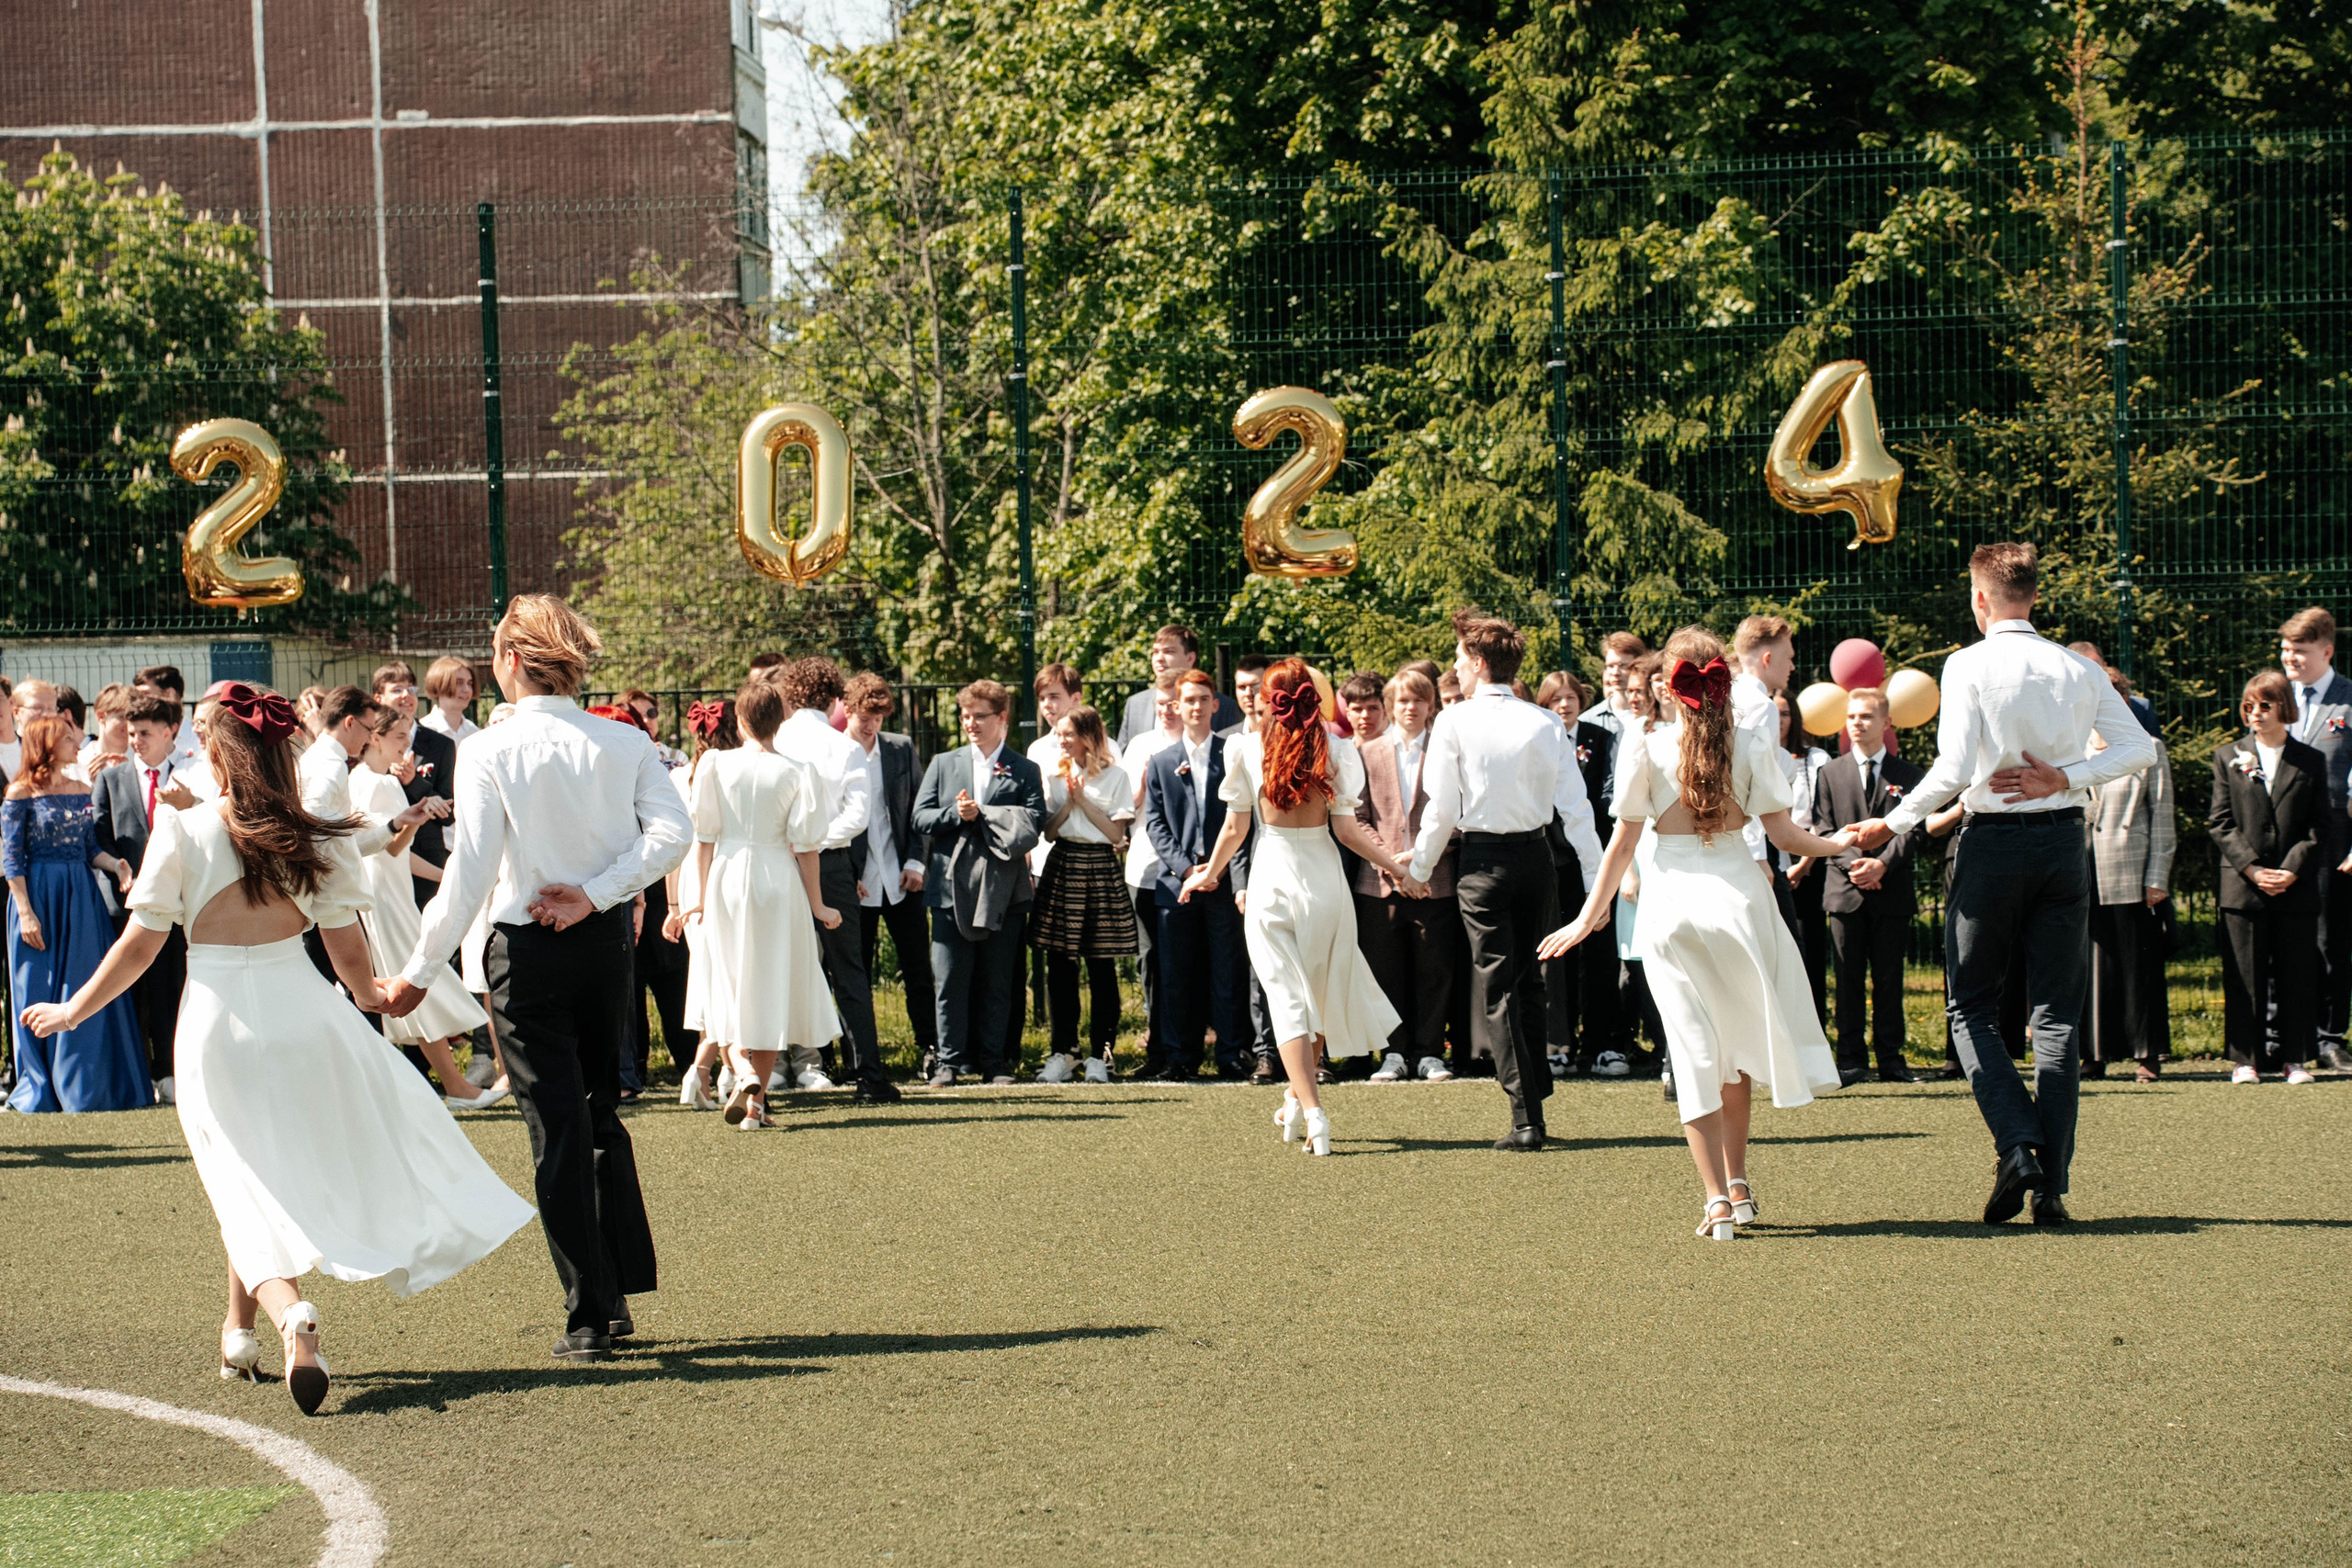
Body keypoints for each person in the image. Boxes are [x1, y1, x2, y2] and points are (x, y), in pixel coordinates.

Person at [21, 682, 533, 1415]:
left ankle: (289, 1313)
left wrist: (75, 1008)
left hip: (216, 1020)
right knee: (253, 1173)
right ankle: (238, 1332)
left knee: (237, 1178)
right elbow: (352, 961)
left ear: (219, 754)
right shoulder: (316, 836)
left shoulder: (184, 829)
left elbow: (140, 947)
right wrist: (382, 995)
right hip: (304, 1017)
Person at [389, 593, 690, 1363]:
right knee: (598, 1110)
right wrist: (597, 892)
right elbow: (673, 832)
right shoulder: (624, 740)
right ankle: (614, 1294)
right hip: (602, 944)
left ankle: (589, 1312)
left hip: (525, 952)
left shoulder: (491, 748)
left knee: (557, 1126)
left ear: (513, 659)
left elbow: (471, 871)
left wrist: (420, 971)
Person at [1849, 543, 2155, 1225]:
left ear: (1980, 598)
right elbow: (2140, 749)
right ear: (2035, 596)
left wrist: (1890, 823)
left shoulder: (1968, 663)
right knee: (2056, 1019)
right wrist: (2066, 777)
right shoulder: (2079, 666)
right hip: (2063, 842)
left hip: (1991, 843)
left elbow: (1954, 767)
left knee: (1970, 1007)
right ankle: (2050, 1188)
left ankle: (2017, 1146)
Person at [1542, 627, 1855, 1239]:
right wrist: (1839, 843)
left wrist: (1586, 916)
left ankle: (1716, 1199)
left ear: (1669, 684)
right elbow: (1785, 836)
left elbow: (1622, 843)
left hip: (1673, 908)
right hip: (1740, 903)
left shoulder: (1645, 744)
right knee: (1735, 1054)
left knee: (1694, 1054)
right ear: (1723, 682)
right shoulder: (1753, 743)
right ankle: (1737, 1185)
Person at [1181, 660, 1414, 1154]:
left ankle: (1311, 1110)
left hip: (1272, 880)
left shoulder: (1245, 748)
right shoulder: (1337, 749)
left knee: (1287, 1001)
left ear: (1269, 702)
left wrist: (1210, 874)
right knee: (1318, 996)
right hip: (1325, 882)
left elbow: (1235, 829)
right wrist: (1394, 868)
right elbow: (1348, 831)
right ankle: (1297, 1098)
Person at [1408, 611, 1605, 1150]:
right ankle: (1533, 1099)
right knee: (1529, 982)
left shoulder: (1453, 722)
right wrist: (1597, 883)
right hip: (1538, 860)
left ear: (1477, 663)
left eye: (1457, 658)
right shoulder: (1545, 722)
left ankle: (1526, 1118)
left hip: (1482, 863)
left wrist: (1419, 869)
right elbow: (1577, 808)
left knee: (1500, 987)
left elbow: (1441, 810)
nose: (1453, 667)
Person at [684, 678, 841, 1130]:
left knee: (726, 983)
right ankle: (756, 1108)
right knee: (771, 987)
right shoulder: (798, 771)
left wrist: (697, 898)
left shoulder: (715, 764)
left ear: (739, 718)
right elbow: (807, 847)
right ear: (781, 720)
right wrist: (819, 906)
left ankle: (742, 1068)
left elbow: (704, 839)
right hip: (777, 880)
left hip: (728, 877)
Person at [348, 705, 505, 1111]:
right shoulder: (374, 782)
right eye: (400, 737)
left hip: (391, 891)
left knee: (413, 985)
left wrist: (441, 865)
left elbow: (395, 849)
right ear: (375, 738)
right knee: (418, 986)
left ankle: (452, 1085)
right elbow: (387, 847)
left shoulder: (372, 780)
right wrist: (415, 826)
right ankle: (456, 1086)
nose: (407, 746)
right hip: (385, 897)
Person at [5, 715, 150, 1111]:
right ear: (47, 745)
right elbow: (11, 858)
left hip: (80, 899)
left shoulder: (82, 789)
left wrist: (117, 865)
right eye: (68, 739)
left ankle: (84, 1084)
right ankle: (39, 1089)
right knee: (34, 986)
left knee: (82, 981)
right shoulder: (19, 793)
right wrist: (25, 912)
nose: (77, 744)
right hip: (36, 897)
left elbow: (89, 849)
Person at [910, 679, 1046, 1086]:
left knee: (998, 981)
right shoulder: (943, 763)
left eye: (980, 716)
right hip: (950, 888)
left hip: (1003, 890)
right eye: (966, 716)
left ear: (1002, 718)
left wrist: (985, 814)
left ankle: (995, 1062)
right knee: (950, 980)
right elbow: (920, 817)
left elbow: (1035, 822)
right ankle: (949, 1063)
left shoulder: (1024, 768)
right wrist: (956, 814)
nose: (971, 723)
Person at [771, 657, 894, 1100]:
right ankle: (868, 1076)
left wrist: (793, 841)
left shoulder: (775, 740)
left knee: (775, 965)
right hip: (831, 866)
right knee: (848, 971)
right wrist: (815, 841)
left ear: (790, 694)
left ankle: (768, 1070)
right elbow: (857, 817)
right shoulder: (844, 748)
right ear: (835, 699)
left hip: (779, 861)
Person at [2211, 671, 2326, 1086]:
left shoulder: (2311, 760)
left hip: (2295, 887)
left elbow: (2318, 825)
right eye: (2249, 706)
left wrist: (2292, 869)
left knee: (2296, 973)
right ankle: (2246, 1060)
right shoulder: (2228, 756)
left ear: (2284, 708)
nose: (2255, 713)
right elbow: (2220, 822)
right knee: (2244, 974)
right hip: (2243, 886)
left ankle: (2296, 1058)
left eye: (2265, 705)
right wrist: (2253, 868)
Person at [1809, 688, 1927, 1085]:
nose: (1857, 723)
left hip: (1891, 892)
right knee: (1847, 980)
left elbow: (1915, 829)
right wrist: (1854, 865)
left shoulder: (1909, 775)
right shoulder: (1830, 773)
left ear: (1886, 723)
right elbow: (1824, 828)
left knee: (1890, 979)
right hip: (1845, 893)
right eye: (1852, 716)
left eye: (1866, 716)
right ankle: (1851, 1060)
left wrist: (1882, 864)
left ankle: (1892, 1060)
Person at [1143, 670, 1254, 1080]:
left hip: (1224, 882)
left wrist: (1218, 870)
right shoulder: (1161, 763)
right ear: (1176, 706)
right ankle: (1181, 1057)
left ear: (1215, 705)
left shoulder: (1233, 753)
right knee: (1177, 975)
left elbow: (1243, 821)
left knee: (1228, 970)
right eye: (1188, 700)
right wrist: (1188, 870)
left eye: (1203, 699)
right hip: (1178, 885)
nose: (1196, 707)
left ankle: (1231, 1053)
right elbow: (1155, 824)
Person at [1355, 668, 1458, 1084]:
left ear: (1431, 706)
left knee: (1435, 969)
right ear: (1390, 707)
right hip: (1379, 884)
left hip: (1435, 880)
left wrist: (1420, 860)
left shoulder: (1447, 751)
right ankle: (1394, 1052)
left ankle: (1430, 1052)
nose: (1411, 708)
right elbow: (1357, 817)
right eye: (1403, 701)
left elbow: (1458, 815)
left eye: (1419, 700)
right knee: (1385, 971)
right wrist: (1390, 863)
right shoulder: (1367, 753)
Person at [1031, 705, 1139, 1082]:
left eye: (1069, 734)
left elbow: (1115, 835)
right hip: (1064, 864)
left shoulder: (1116, 776)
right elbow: (1049, 832)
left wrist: (1083, 802)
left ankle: (1100, 1054)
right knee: (1060, 965)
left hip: (1100, 868)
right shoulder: (1054, 775)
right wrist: (1067, 804)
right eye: (1059, 734)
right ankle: (1064, 1052)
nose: (1061, 741)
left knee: (1101, 965)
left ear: (1089, 737)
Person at [91, 692, 189, 1102]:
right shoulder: (111, 778)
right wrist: (118, 868)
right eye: (132, 733)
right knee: (129, 990)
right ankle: (133, 1076)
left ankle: (168, 1071)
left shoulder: (188, 776)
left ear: (169, 732)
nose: (136, 741)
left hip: (178, 903)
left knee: (171, 987)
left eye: (145, 733)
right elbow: (98, 835)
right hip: (126, 902)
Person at [841, 675, 936, 1082]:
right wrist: (845, 875)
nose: (871, 726)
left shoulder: (900, 748)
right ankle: (858, 1061)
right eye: (865, 717)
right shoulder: (834, 753)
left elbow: (919, 810)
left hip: (901, 878)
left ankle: (931, 1050)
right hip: (857, 883)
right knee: (854, 974)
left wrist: (916, 863)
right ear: (848, 710)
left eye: (879, 718)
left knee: (918, 968)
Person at [2085, 670, 2176, 1083]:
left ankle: (2147, 1053)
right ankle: (2092, 1054)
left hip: (2132, 872)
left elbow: (2163, 819)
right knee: (2090, 968)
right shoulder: (2070, 750)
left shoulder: (2148, 748)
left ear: (2123, 702)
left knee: (2139, 966)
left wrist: (2157, 877)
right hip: (2082, 872)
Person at [2276, 607, 2352, 1073]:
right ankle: (2280, 1038)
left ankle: (2329, 1038)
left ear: (2327, 651)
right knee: (2279, 936)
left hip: (2336, 839)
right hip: (2281, 834)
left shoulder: (2349, 701)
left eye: (2300, 651)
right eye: (2285, 649)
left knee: (2329, 940)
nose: (2290, 658)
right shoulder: (2274, 697)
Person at [669, 699, 738, 1109]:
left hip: (691, 881)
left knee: (712, 978)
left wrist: (673, 904)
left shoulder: (680, 777)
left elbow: (675, 846)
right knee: (727, 980)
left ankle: (706, 1071)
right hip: (723, 873)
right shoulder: (736, 771)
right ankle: (723, 1070)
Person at [1118, 687, 1184, 1077]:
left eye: (1174, 703)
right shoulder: (1141, 744)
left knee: (1186, 960)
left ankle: (1188, 1048)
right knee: (1151, 961)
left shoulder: (1203, 745)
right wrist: (1143, 786)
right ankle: (1157, 1048)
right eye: (1161, 704)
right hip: (1144, 868)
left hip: (1189, 870)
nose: (1167, 710)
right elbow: (1123, 808)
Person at [374, 661, 458, 908]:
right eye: (397, 689)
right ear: (378, 698)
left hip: (427, 857)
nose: (406, 696)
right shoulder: (368, 743)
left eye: (411, 689)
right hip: (382, 854)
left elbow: (448, 813)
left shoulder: (440, 744)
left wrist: (414, 782)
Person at [1780, 696, 1836, 1030]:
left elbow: (1822, 816)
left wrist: (1803, 865)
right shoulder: (1752, 753)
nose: (1779, 720)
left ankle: (1814, 1030)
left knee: (1810, 949)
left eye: (1785, 713)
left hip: (1809, 857)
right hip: (1768, 858)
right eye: (1773, 713)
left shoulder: (1816, 759)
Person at [1117, 624, 1240, 746]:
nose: (1159, 658)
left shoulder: (1224, 708)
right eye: (1155, 652)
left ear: (1190, 658)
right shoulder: (1136, 704)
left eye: (1168, 651)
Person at [418, 656, 481, 748]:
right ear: (439, 685)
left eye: (470, 683)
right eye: (458, 683)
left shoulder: (474, 732)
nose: (466, 689)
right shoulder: (424, 730)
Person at [1340, 673, 1388, 744]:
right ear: (1348, 714)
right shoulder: (1335, 750)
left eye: (1372, 708)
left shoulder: (1400, 749)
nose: (1365, 715)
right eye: (1357, 709)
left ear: (1384, 712)